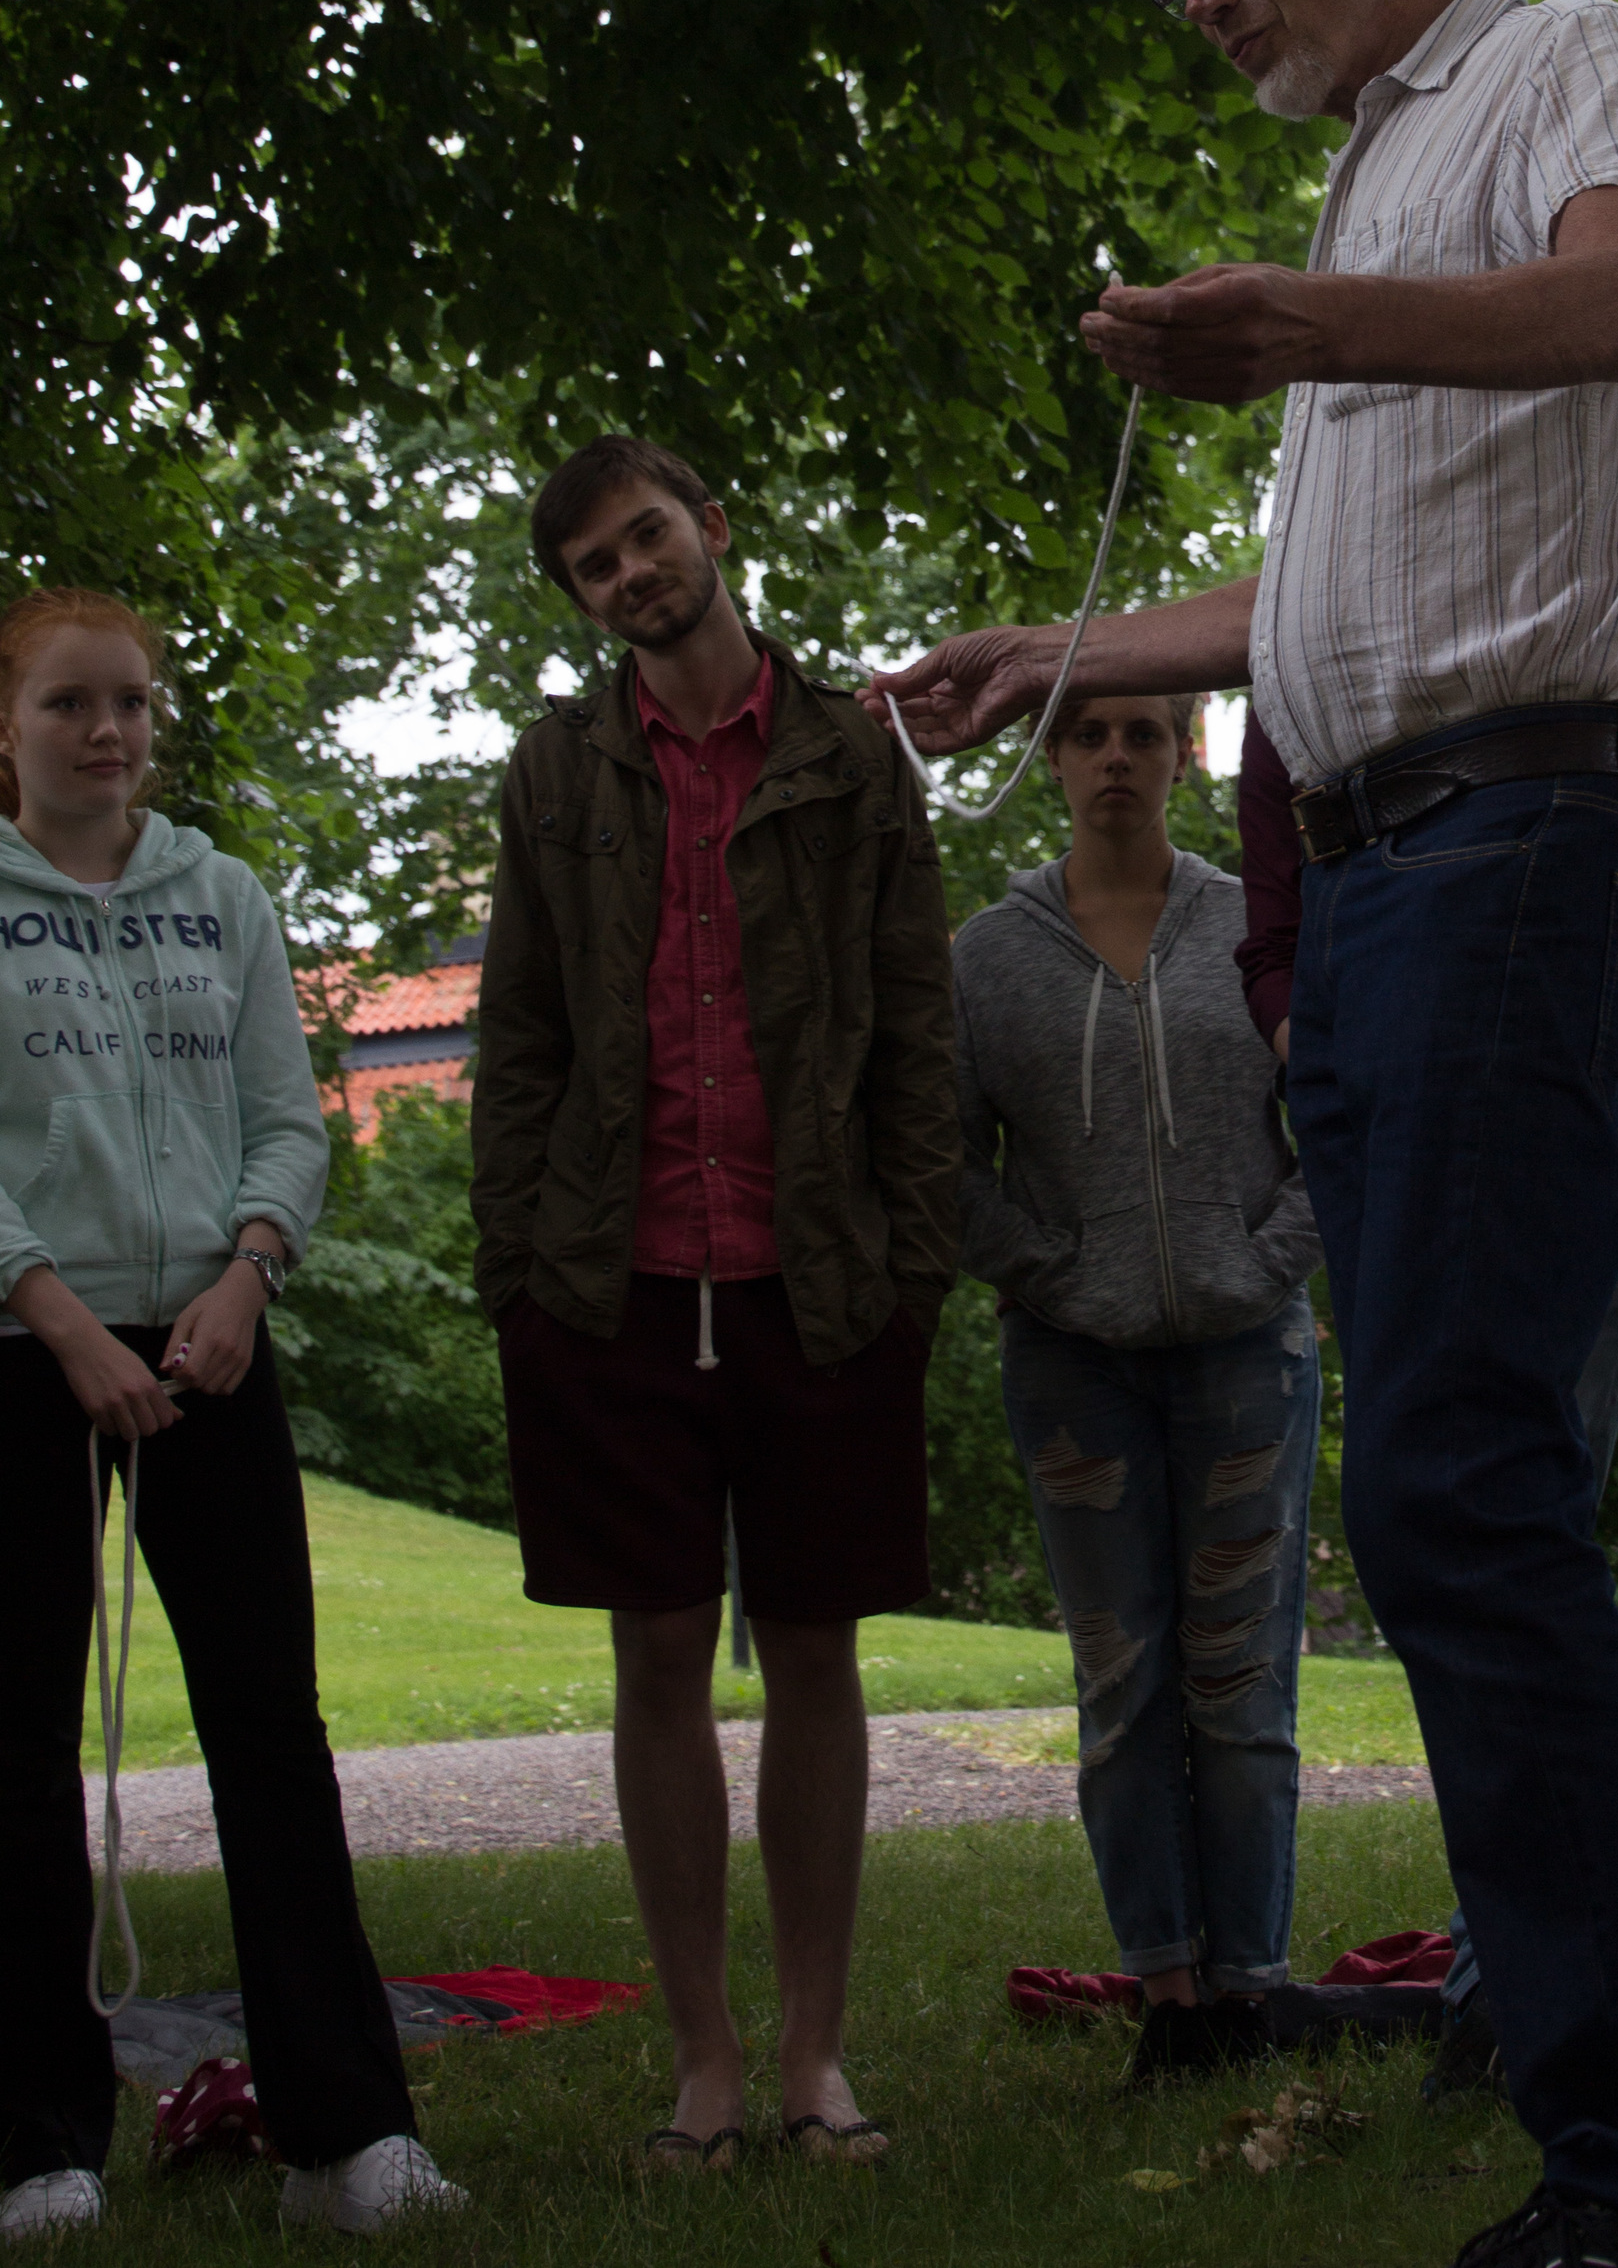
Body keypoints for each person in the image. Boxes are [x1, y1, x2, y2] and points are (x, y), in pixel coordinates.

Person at [871, 0, 1618, 2268]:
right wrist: (1056, 646)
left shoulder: (1553, 62)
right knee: (1456, 1502)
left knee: (1461, 1498)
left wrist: (1285, 327)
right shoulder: (1374, 176)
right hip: (1386, 870)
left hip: (1523, 838)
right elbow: (1322, 614)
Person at [471, 439, 958, 2172]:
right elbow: (516, 1038)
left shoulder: (848, 755)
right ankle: (705, 2059)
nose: (631, 576)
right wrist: (518, 1276)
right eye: (595, 567)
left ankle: (817, 2053)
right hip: (610, 1277)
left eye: (646, 536)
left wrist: (914, 1265)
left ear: (712, 531)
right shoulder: (553, 772)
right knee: (657, 1653)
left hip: (818, 1274)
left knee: (816, 1646)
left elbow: (918, 1026)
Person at [0, 588, 462, 2242]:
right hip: (24, 1343)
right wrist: (55, 1317)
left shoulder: (225, 896)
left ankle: (346, 2134)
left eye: (130, 702)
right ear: (10, 725)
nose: (108, 733)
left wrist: (247, 1276)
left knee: (273, 1731)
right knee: (15, 1748)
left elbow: (288, 1116)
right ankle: (37, 2146)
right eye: (69, 704)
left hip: (212, 1348)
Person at [1233, 705, 1618, 2098]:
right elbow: (1276, 924)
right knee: (1441, 1523)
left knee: (1510, 1524)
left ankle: (1572, 2022)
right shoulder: (1305, 683)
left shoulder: (1508, 639)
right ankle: (1563, 2019)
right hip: (1392, 1133)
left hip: (1548, 1112)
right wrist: (1324, 1052)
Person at [954, 693, 1323, 2080]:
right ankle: (1167, 1990)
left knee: (1244, 1683)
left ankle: (1253, 1987)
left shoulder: (1260, 930)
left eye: (1143, 730)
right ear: (1049, 757)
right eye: (1088, 732)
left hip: (1248, 1356)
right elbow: (939, 1161)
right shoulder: (987, 957)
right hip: (1074, 1368)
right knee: (1124, 1682)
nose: (1115, 755)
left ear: (1188, 752)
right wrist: (1054, 1273)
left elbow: (1335, 1108)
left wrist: (1263, 1262)